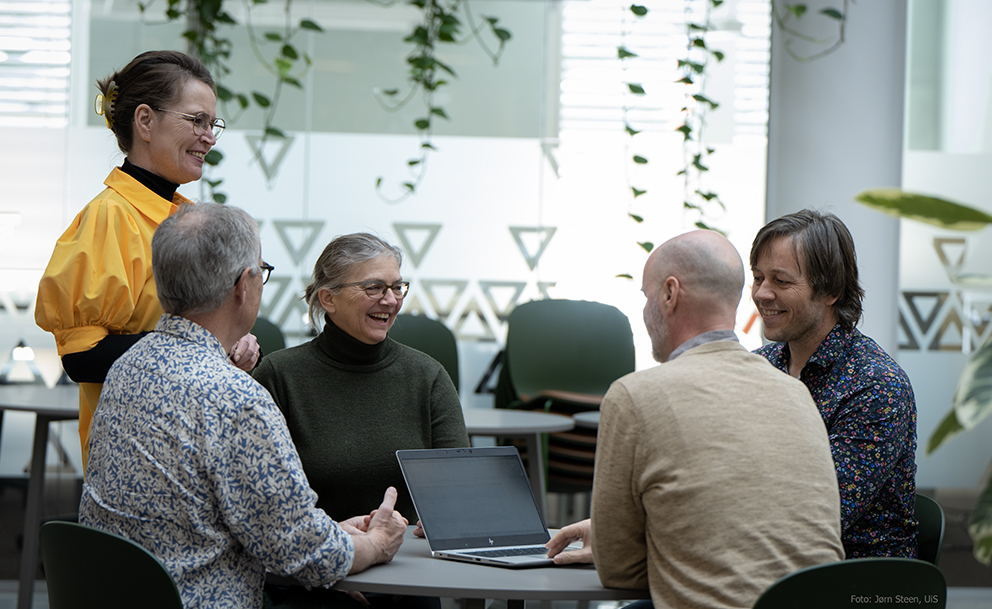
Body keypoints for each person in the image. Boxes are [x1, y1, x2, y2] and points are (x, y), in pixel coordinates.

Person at [79, 203, 407, 609]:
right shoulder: (237, 399)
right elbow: (309, 558)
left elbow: (211, 523)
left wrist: (322, 533)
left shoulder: (127, 368)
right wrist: (376, 543)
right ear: (242, 285)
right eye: (262, 271)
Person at [545, 230, 844, 609]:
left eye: (646, 295)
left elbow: (619, 568)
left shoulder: (634, 396)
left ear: (670, 294)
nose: (645, 309)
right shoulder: (795, 392)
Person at [35, 50, 259, 469]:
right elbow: (83, 357)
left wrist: (233, 344)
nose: (209, 136)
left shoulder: (186, 216)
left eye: (213, 124)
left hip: (185, 441)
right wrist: (205, 349)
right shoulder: (109, 218)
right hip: (133, 454)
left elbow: (201, 331)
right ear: (145, 121)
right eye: (196, 120)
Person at [252, 233, 469, 523]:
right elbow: (258, 499)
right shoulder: (279, 376)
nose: (391, 300)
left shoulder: (427, 376)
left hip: (410, 555)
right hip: (318, 556)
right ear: (328, 298)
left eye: (396, 287)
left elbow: (461, 487)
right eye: (374, 288)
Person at [749, 209, 918, 558]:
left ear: (831, 291)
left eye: (781, 281)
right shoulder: (760, 366)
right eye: (758, 278)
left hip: (852, 582)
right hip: (768, 563)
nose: (762, 294)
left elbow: (820, 515)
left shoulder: (876, 386)